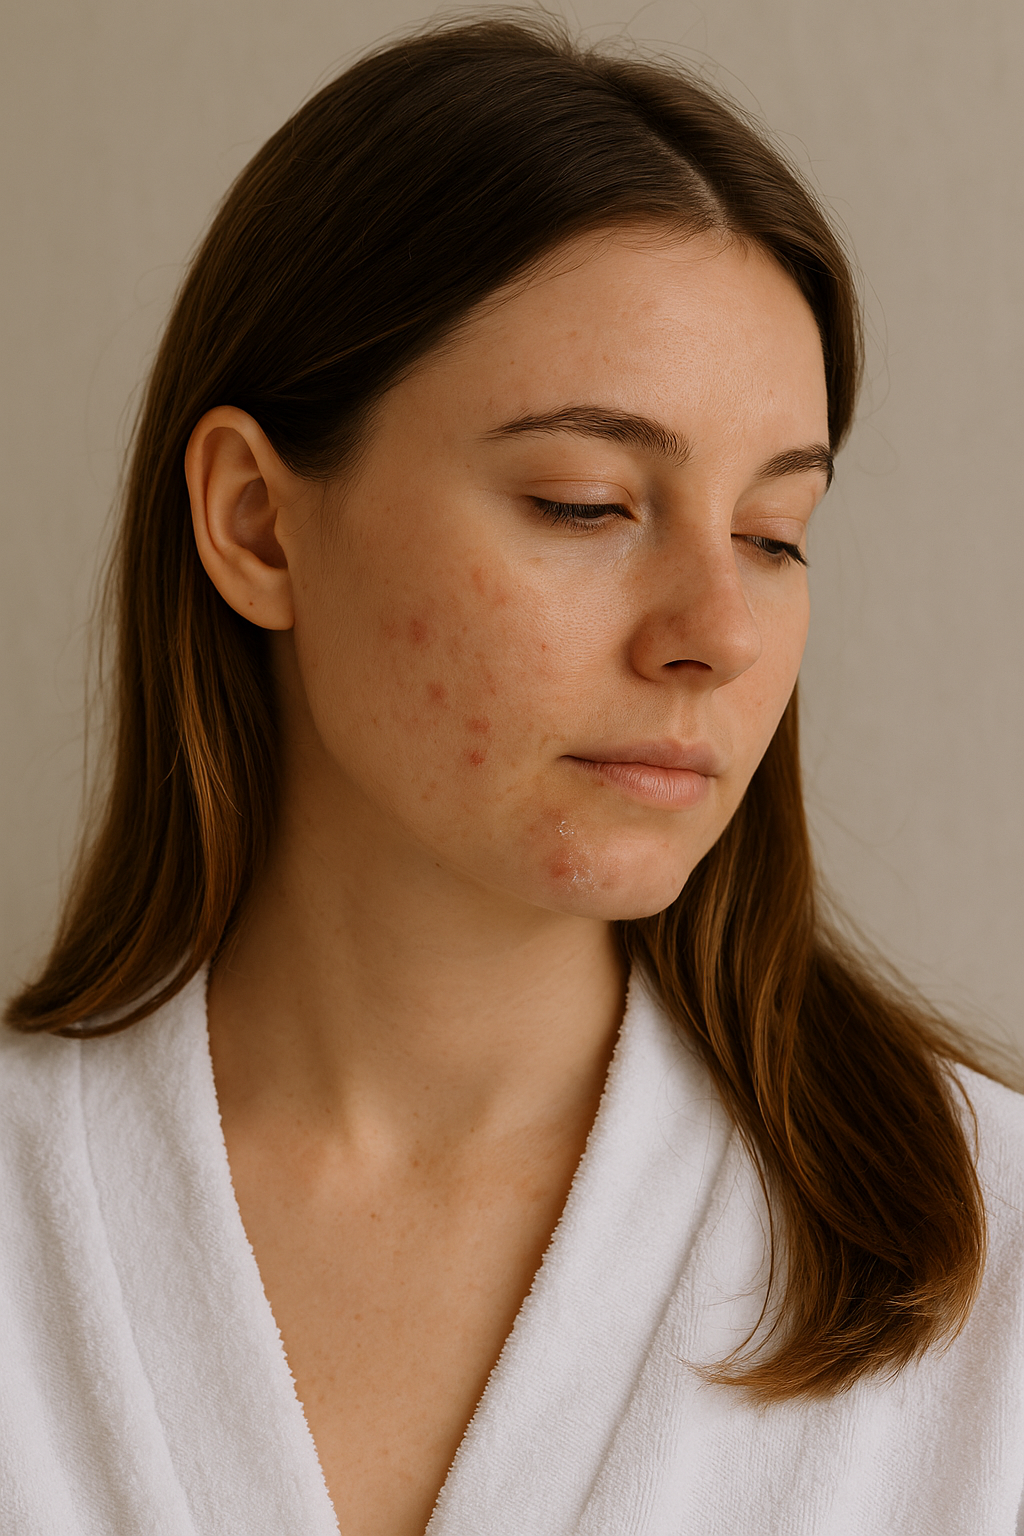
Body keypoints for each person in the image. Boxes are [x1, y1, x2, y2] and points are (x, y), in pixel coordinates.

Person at [3, 14, 1023, 1536]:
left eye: (774, 532)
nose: (717, 635)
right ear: (259, 526)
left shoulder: (991, 1258)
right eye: (587, 503)